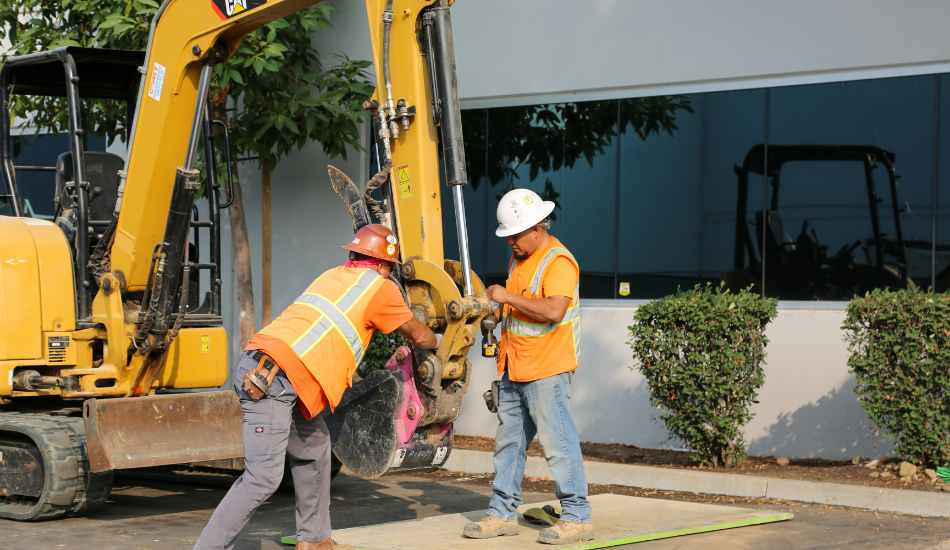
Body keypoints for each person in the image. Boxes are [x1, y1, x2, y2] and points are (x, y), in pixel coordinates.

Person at [194, 224, 437, 550]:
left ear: (354, 255)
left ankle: (315, 540)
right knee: (263, 477)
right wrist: (439, 336)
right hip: (272, 381)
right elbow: (420, 336)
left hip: (277, 374)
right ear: (383, 265)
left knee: (315, 446)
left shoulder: (333, 276)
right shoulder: (381, 288)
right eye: (389, 268)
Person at [463, 189, 593, 545]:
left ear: (537, 227)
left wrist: (505, 297)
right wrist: (497, 312)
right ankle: (501, 512)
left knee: (559, 444)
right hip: (514, 367)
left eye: (515, 235)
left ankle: (578, 516)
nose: (511, 243)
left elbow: (553, 310)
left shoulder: (558, 261)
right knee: (509, 445)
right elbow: (521, 308)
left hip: (547, 369)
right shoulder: (521, 260)